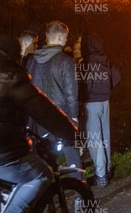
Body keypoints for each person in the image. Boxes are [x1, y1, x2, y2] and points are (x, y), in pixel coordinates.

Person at [0, 35, 78, 213]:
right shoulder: (11, 74)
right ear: (14, 54)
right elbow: (43, 110)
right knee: (42, 175)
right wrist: (70, 133)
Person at [26, 21, 82, 179]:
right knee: (71, 154)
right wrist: (74, 117)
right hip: (60, 116)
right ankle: (80, 195)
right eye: (65, 36)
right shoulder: (65, 60)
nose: (66, 40)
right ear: (58, 37)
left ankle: (46, 193)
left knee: (44, 156)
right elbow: (71, 93)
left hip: (38, 116)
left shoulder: (31, 60)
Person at [78, 32, 121, 187]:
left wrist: (84, 97)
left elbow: (85, 84)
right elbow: (117, 75)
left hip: (92, 104)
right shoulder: (105, 59)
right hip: (105, 102)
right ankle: (107, 169)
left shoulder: (87, 62)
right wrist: (107, 88)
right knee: (105, 136)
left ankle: (101, 175)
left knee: (95, 139)